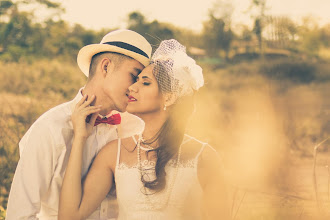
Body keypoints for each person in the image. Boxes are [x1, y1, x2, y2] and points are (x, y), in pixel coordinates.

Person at [59, 39, 230, 220]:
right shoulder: (112, 154)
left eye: (145, 82)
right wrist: (80, 137)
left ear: (169, 98)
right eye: (136, 80)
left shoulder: (204, 157)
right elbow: (69, 216)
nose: (132, 87)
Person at [6, 29, 152, 220]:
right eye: (134, 76)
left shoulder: (137, 128)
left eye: (143, 80)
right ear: (106, 67)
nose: (136, 88)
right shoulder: (50, 128)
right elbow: (20, 214)